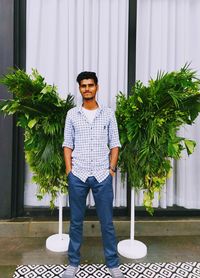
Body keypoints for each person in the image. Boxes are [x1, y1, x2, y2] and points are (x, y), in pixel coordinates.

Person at [62, 71, 124, 278]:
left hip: (101, 175)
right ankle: (73, 263)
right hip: (77, 175)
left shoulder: (108, 113)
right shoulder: (72, 114)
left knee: (107, 222)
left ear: (97, 87)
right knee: (75, 222)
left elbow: (115, 144)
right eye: (83, 85)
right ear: (79, 88)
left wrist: (111, 170)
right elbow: (67, 144)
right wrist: (69, 171)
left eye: (90, 85)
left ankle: (113, 264)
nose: (87, 89)